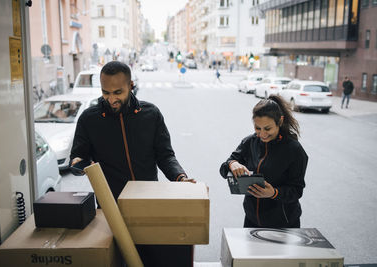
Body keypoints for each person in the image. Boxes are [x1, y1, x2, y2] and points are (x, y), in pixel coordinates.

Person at [70, 61, 195, 266]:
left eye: (118, 92)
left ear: (131, 85)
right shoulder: (89, 119)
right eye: (105, 92)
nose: (111, 99)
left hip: (148, 205)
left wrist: (180, 177)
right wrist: (78, 164)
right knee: (119, 260)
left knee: (149, 259)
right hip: (111, 207)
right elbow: (78, 157)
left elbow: (165, 155)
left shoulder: (151, 114)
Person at [219, 95, 308, 228]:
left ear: (280, 121)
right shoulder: (250, 142)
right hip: (251, 220)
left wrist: (273, 193)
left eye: (268, 129)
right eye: (257, 128)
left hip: (284, 223)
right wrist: (232, 164)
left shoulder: (294, 150)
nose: (262, 134)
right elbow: (223, 169)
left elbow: (296, 190)